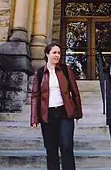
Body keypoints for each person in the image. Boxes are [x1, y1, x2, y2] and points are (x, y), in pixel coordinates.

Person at [30, 42, 83, 170]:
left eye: (59, 53)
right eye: (54, 52)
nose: (57, 55)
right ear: (47, 54)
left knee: (66, 146)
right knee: (51, 149)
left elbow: (75, 92)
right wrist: (34, 118)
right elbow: (35, 96)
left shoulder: (65, 70)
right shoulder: (40, 73)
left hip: (65, 113)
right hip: (47, 115)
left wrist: (78, 112)